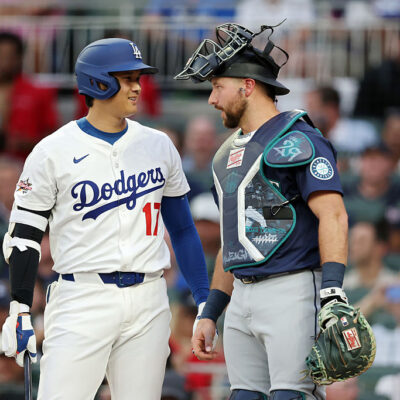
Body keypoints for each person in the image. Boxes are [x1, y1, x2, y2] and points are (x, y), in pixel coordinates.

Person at [0, 38, 210, 400]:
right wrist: (19, 307)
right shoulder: (52, 150)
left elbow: (183, 228)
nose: (136, 87)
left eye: (137, 78)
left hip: (148, 297)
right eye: (126, 78)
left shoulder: (159, 145)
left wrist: (204, 299)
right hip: (82, 296)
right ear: (98, 83)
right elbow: (24, 236)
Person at [175, 23, 349, 400]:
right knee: (243, 396)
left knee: (292, 395)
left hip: (294, 288)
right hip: (241, 294)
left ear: (248, 86)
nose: (212, 98)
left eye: (218, 86)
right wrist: (210, 312)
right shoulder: (224, 154)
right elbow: (231, 240)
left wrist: (333, 289)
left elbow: (333, 214)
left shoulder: (299, 138)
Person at [0, 31, 59, 160]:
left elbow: (54, 136)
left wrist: (26, 143)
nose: (4, 62)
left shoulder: (38, 92)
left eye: (9, 56)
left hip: (25, 165)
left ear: (19, 58)